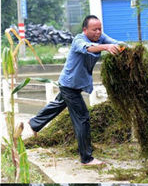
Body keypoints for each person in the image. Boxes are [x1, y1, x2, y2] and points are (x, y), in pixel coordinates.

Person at [28, 15, 121, 166]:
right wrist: (106, 47)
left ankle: (34, 123)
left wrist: (126, 48)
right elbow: (89, 48)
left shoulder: (100, 37)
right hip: (69, 85)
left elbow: (116, 43)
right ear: (85, 30)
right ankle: (87, 158)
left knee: (57, 105)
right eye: (94, 29)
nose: (98, 32)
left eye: (100, 29)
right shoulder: (79, 40)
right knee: (83, 118)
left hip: (75, 85)